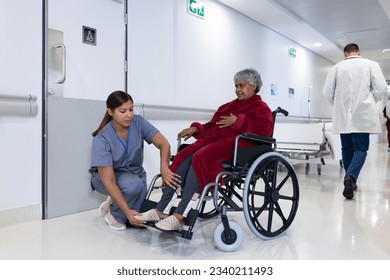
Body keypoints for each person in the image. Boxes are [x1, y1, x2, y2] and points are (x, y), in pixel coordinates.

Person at [135, 68, 273, 231]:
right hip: (215, 142)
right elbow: (212, 126)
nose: (237, 90)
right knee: (184, 155)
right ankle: (162, 209)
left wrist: (238, 121)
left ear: (254, 85)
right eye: (236, 86)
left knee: (201, 156)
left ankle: (180, 215)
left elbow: (264, 130)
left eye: (241, 86)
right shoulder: (227, 106)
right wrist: (196, 129)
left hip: (239, 146)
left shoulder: (261, 108)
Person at [89, 90, 180, 230]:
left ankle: (115, 201)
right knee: (133, 189)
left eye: (131, 109)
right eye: (123, 111)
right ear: (110, 112)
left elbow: (164, 144)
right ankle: (114, 214)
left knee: (139, 204)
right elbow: (109, 180)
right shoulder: (101, 139)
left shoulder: (138, 122)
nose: (129, 115)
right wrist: (126, 211)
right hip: (106, 179)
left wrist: (164, 168)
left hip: (135, 176)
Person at [322, 43, 387, 200]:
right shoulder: (371, 64)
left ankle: (350, 178)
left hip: (342, 116)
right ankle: (351, 177)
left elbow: (327, 92)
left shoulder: (336, 68)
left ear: (345, 54)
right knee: (361, 149)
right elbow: (381, 88)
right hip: (362, 115)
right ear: (359, 52)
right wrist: (370, 102)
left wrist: (338, 105)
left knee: (346, 149)